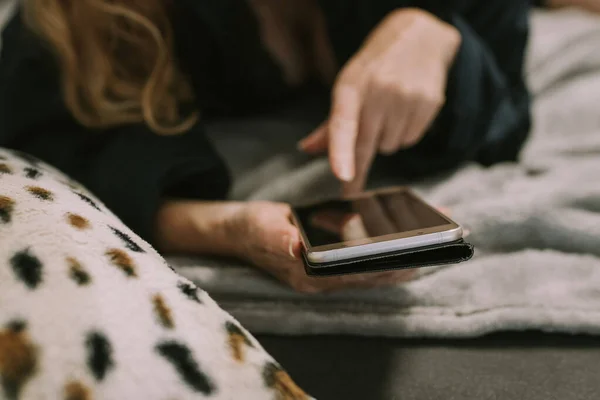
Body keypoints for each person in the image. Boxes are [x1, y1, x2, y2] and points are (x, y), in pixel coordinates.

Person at [0, 0, 531, 292]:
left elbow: (506, 115)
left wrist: (433, 33)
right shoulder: (85, 20)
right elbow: (51, 136)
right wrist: (228, 229)